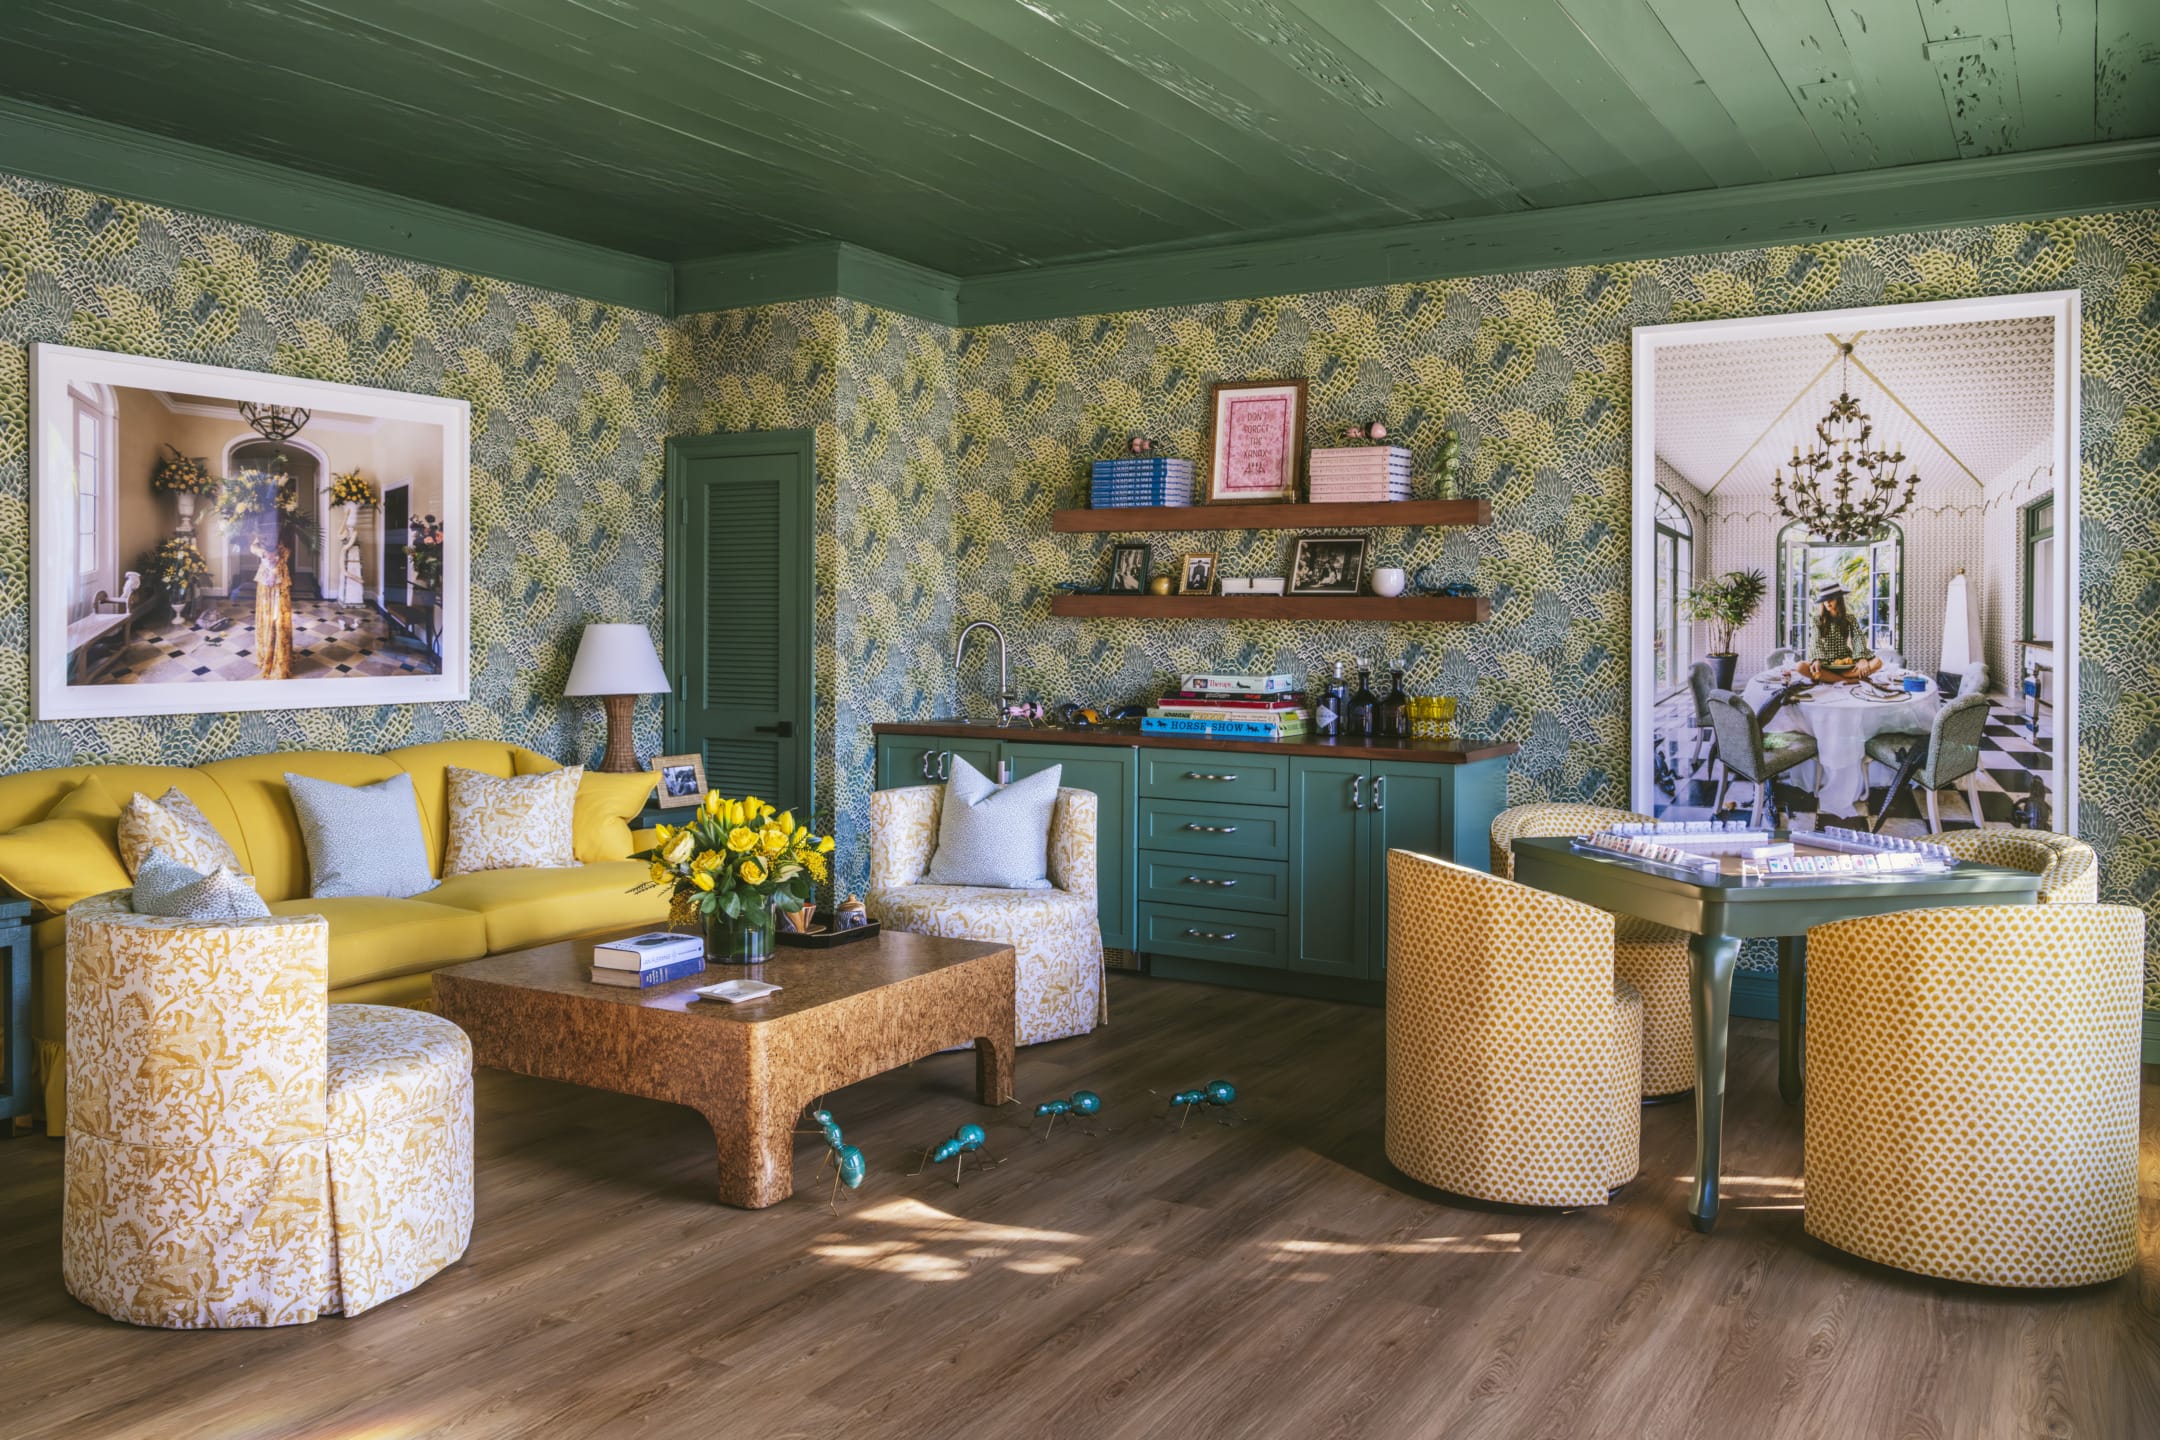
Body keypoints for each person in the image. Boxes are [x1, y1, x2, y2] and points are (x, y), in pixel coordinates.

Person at [1801, 581, 1880, 680]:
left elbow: (1858, 638)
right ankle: (1847, 680)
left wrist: (1861, 658)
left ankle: (1833, 679)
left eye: (1831, 599)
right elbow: (1815, 640)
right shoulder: (1817, 620)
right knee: (1800, 666)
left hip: (1845, 664)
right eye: (1824, 600)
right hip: (1825, 664)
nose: (1827, 602)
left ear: (1838, 599)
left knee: (1878, 662)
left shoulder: (1850, 618)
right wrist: (1817, 659)